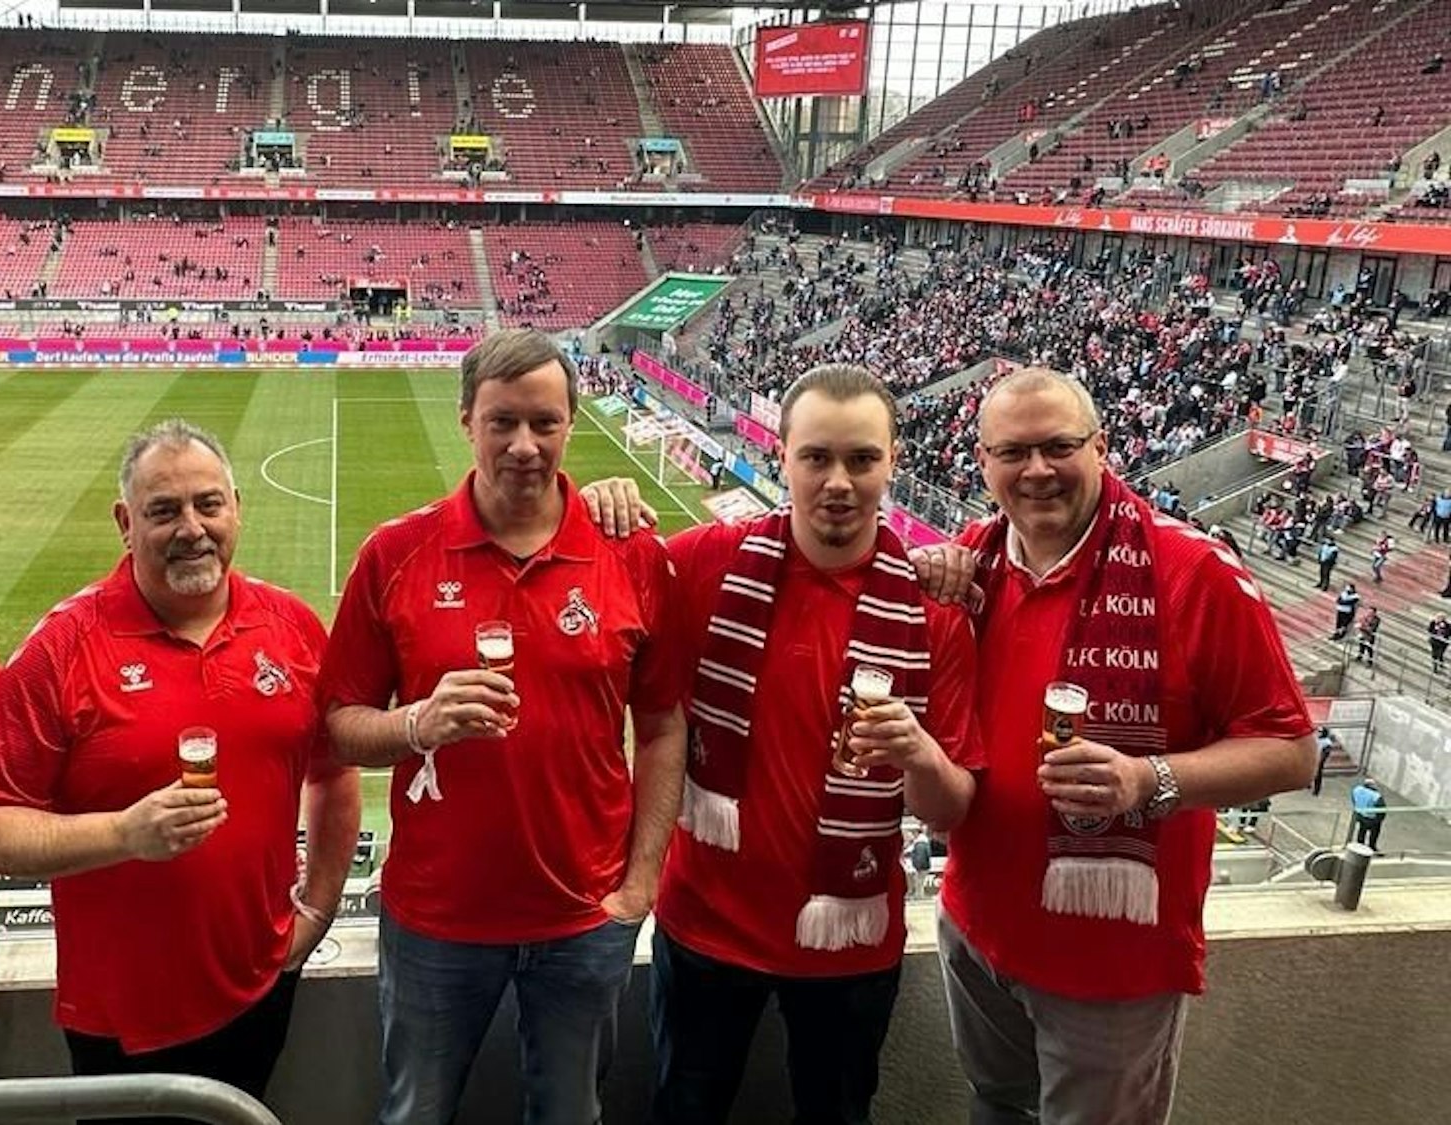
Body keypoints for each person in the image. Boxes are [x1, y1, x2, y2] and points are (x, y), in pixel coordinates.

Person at [910, 369, 1313, 1125]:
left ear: (1100, 445)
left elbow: (1291, 749)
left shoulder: (1192, 572)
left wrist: (1146, 778)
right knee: (995, 1106)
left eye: (1059, 446)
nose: (1037, 470)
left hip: (1112, 971)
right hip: (977, 928)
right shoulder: (971, 560)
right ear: (982, 460)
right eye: (1013, 451)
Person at [318, 328, 688, 1125]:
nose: (525, 445)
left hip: (586, 916)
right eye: (502, 422)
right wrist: (418, 722)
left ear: (570, 425)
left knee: (570, 1114)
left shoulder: (632, 555)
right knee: (416, 1111)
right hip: (435, 918)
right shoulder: (396, 554)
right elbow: (339, 727)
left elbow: (662, 726)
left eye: (545, 423)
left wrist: (640, 883)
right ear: (466, 421)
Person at [0, 420, 359, 1118]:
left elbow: (333, 774)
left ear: (237, 504)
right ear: (125, 522)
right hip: (123, 1016)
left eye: (209, 504)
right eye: (164, 510)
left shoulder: (290, 626)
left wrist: (315, 912)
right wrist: (123, 834)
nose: (192, 528)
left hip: (262, 980)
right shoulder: (64, 646)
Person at [642, 365, 984, 1125]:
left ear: (894, 459)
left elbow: (952, 810)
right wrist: (601, 504)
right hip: (703, 926)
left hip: (850, 946)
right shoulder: (708, 561)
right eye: (816, 456)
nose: (839, 480)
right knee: (681, 1109)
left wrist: (919, 752)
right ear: (781, 454)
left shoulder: (935, 614)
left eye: (862, 459)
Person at [1350, 779, 1387, 851]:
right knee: (1374, 832)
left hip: (1360, 815)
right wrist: (1379, 819)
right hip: (1371, 818)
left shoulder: (1357, 789)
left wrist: (1357, 808)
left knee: (1362, 830)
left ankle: (1360, 845)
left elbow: (1354, 799)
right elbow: (1381, 809)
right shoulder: (1376, 796)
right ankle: (1371, 846)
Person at [1312, 726, 1340, 796]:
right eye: (1317, 731)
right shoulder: (1316, 739)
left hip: (1319, 759)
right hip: (1313, 757)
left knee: (1318, 774)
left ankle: (1316, 790)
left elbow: (1325, 753)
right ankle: (1308, 784)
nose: (1317, 733)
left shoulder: (1327, 742)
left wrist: (1320, 761)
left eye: (1319, 732)